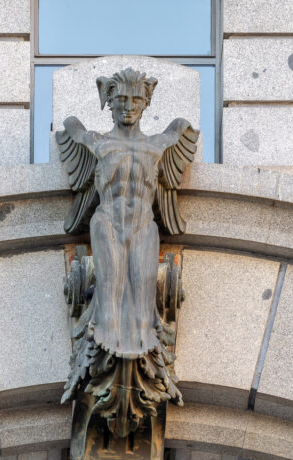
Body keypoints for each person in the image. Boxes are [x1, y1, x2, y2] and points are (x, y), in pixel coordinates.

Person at [56, 67, 198, 436]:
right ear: (109, 102)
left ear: (146, 102)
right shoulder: (97, 143)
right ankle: (101, 352)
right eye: (120, 100)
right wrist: (71, 125)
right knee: (111, 285)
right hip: (106, 222)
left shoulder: (159, 145)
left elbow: (179, 130)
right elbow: (72, 129)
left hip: (143, 225)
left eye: (136, 100)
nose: (128, 107)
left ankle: (147, 356)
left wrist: (181, 125)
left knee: (144, 285)